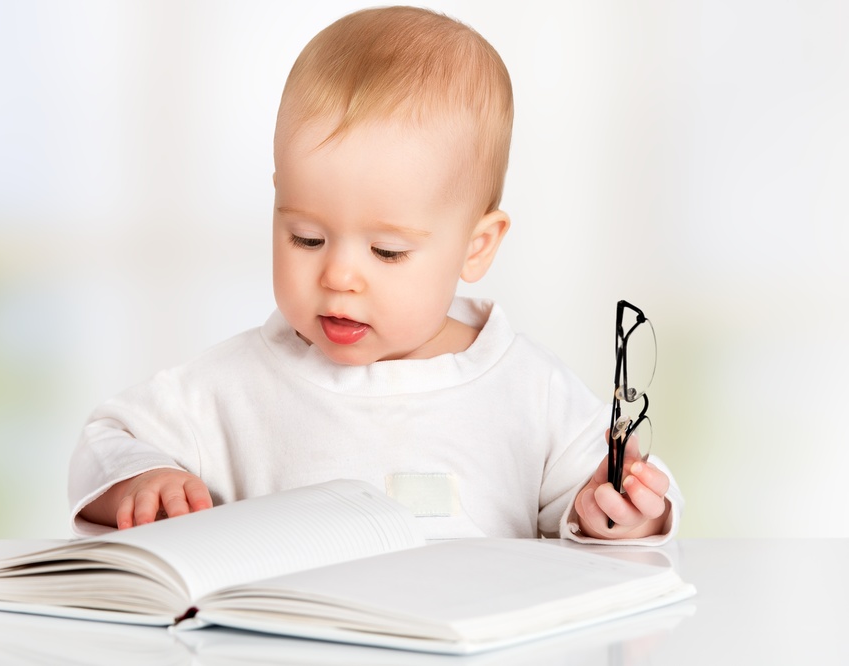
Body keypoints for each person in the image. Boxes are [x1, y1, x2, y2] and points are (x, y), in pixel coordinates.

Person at [69, 6, 681, 543]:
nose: (339, 275)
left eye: (387, 252)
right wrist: (142, 481)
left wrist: (623, 512)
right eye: (306, 238)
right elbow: (107, 439)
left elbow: (615, 493)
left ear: (476, 246)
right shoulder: (237, 386)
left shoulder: (528, 391)